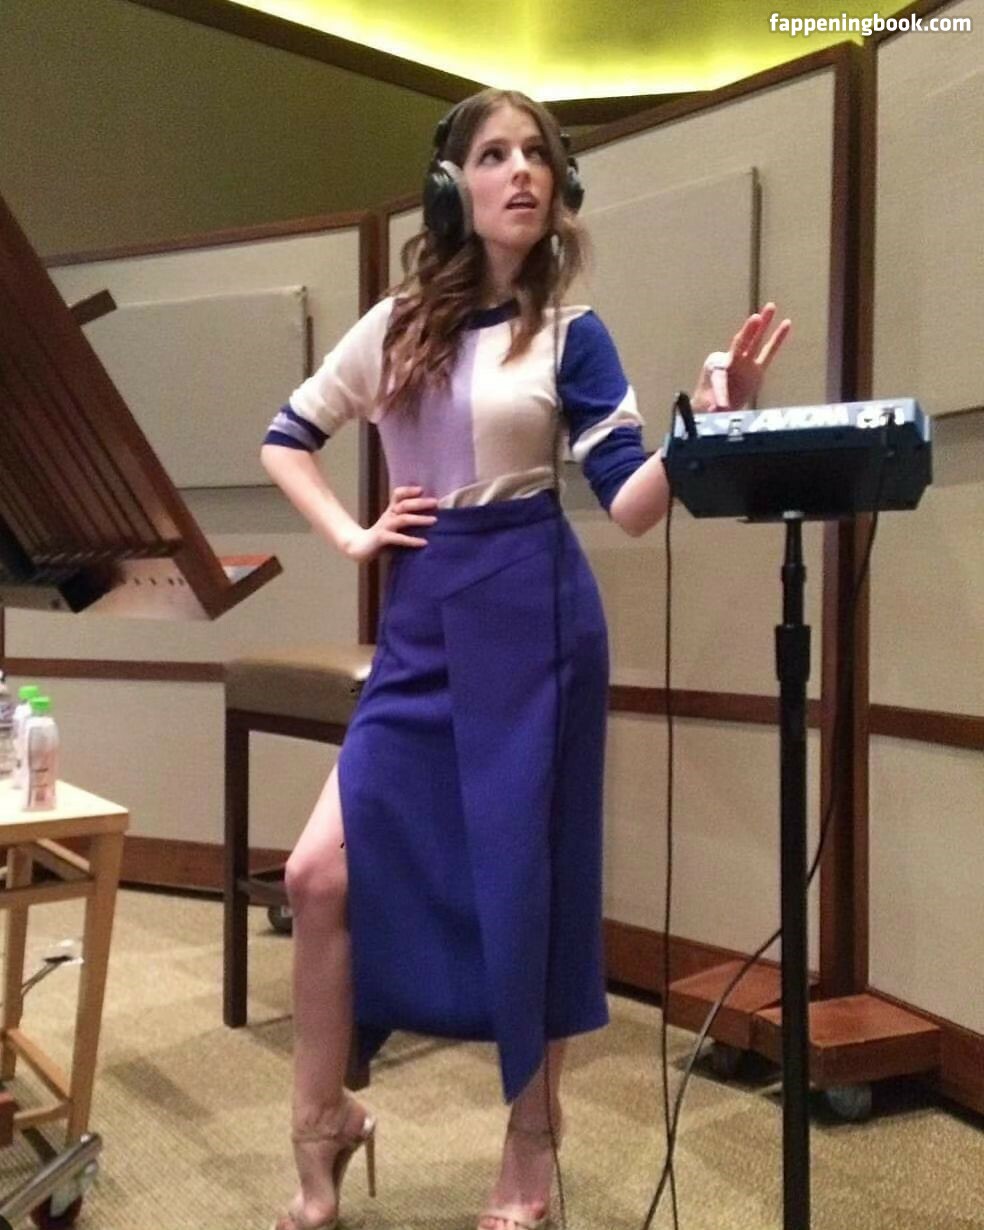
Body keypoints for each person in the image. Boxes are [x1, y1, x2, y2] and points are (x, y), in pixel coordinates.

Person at [260, 87, 790, 1230]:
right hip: (423, 620)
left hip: (540, 620)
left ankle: (532, 1137)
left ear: (562, 185)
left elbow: (632, 504)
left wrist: (710, 422)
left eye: (539, 156)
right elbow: (286, 437)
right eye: (495, 155)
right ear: (451, 185)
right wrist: (353, 535)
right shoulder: (396, 324)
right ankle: (323, 1117)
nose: (522, 172)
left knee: (531, 886)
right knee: (316, 875)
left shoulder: (572, 335)